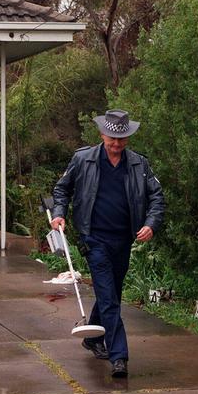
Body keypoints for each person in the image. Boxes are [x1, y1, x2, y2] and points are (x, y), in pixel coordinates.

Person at [51, 109, 164, 378]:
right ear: (102, 134)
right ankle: (119, 356)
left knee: (111, 292)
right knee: (109, 296)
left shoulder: (139, 164)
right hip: (94, 238)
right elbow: (62, 189)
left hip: (124, 238)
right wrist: (58, 213)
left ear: (128, 137)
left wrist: (150, 223)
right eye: (112, 138)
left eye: (121, 140)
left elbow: (157, 197)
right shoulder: (83, 159)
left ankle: (92, 338)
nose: (116, 144)